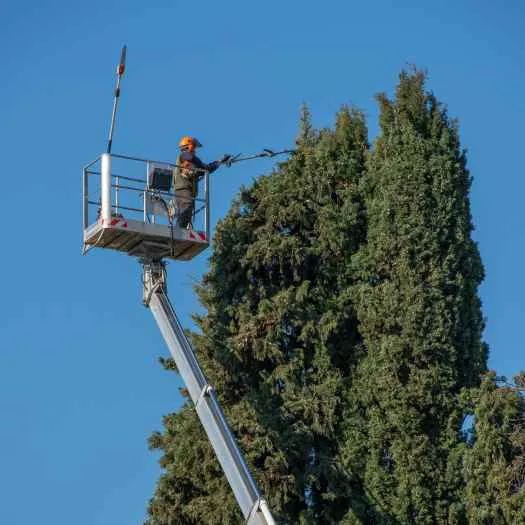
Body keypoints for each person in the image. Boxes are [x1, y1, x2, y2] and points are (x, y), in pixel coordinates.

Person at [172, 136, 230, 228]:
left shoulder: (189, 160)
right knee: (187, 207)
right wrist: (215, 163)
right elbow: (202, 167)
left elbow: (205, 169)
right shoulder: (184, 155)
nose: (195, 150)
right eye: (194, 147)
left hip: (185, 190)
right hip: (183, 189)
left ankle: (180, 229)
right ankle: (178, 230)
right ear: (189, 146)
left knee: (186, 211)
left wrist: (219, 162)